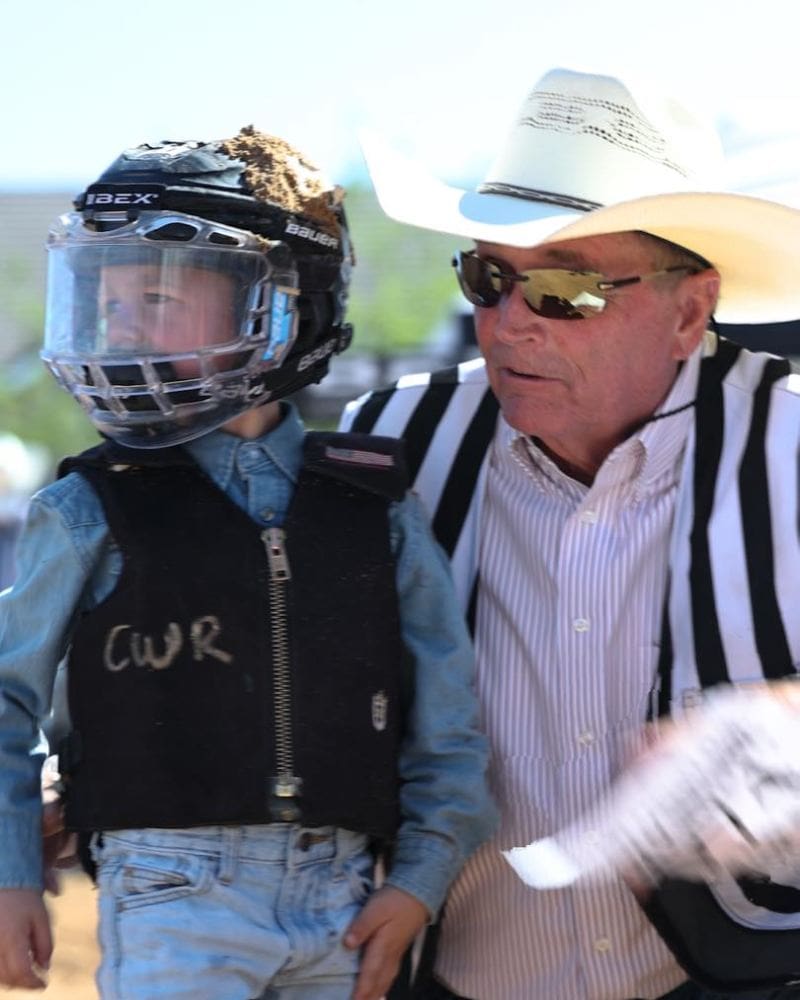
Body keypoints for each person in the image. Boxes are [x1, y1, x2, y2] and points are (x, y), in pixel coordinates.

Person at [0, 127, 496, 1000]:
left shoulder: (372, 504)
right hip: (166, 892)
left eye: (157, 294)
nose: (119, 323)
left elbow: (448, 725)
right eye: (107, 299)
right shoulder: (85, 506)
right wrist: (7, 871)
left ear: (283, 308)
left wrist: (422, 878)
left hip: (345, 895)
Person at [342, 68, 800, 1000]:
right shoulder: (387, 446)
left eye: (564, 290)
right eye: (488, 277)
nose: (509, 322)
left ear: (688, 309)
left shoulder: (794, 443)